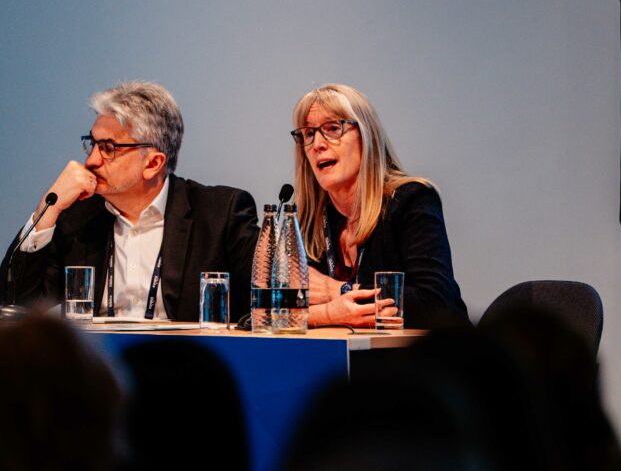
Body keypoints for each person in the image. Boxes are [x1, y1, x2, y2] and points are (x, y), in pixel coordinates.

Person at [0, 81, 259, 321]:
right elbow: (14, 305)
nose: (91, 160)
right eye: (92, 144)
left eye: (108, 148)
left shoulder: (220, 214)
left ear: (153, 163)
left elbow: (268, 302)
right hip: (101, 356)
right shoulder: (77, 218)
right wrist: (49, 209)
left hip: (185, 355)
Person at [290, 83, 467, 328]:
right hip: (345, 351)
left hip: (429, 351)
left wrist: (337, 290)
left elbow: (433, 303)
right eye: (309, 134)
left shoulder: (410, 200)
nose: (318, 144)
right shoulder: (309, 220)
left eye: (332, 128)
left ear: (366, 136)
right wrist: (328, 314)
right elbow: (268, 311)